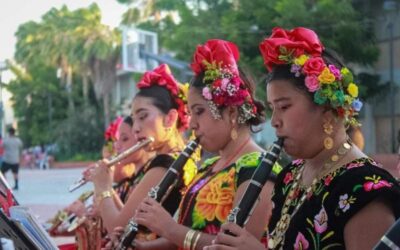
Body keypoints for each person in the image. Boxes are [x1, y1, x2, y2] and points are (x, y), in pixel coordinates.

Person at [205, 27, 400, 250]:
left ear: (327, 110)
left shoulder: (367, 188)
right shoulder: (290, 175)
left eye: (284, 107)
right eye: (272, 109)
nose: (275, 121)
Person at [128, 39, 281, 250]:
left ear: (232, 113)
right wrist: (142, 245)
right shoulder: (211, 165)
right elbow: (189, 234)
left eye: (199, 111)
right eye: (190, 114)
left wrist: (169, 228)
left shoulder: (258, 168)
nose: (191, 124)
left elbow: (235, 244)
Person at [87, 63, 196, 238]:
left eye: (143, 116)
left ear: (170, 118)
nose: (136, 128)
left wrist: (103, 187)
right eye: (134, 119)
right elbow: (131, 219)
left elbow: (118, 228)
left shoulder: (164, 165)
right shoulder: (180, 158)